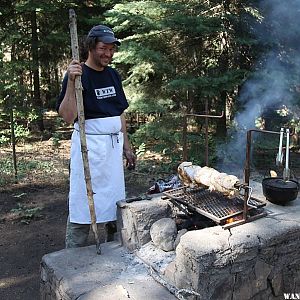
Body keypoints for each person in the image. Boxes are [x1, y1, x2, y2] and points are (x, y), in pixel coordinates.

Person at [56, 25, 136, 248]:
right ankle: (72, 255)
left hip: (111, 151)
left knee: (114, 203)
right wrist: (72, 83)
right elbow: (68, 116)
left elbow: (119, 112)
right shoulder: (78, 74)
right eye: (103, 48)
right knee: (83, 201)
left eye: (111, 50)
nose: (108, 54)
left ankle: (115, 248)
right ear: (91, 47)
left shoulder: (112, 75)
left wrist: (127, 147)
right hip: (88, 150)